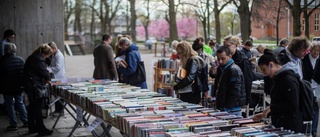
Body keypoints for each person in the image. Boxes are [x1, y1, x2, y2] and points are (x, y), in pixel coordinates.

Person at [255, 49, 303, 133]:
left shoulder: (287, 79)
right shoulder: (278, 78)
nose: (264, 73)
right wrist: (268, 111)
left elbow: (292, 104)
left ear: (271, 65)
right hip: (282, 122)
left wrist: (271, 109)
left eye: (264, 69)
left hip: (289, 125)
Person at [23, 44, 53, 136]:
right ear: (45, 53)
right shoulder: (39, 59)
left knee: (31, 107)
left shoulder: (31, 57)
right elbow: (46, 74)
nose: (49, 57)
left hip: (29, 86)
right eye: (48, 55)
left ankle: (32, 127)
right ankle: (41, 129)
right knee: (37, 108)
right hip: (35, 87)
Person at [0, 43, 28, 131]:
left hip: (6, 87)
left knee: (9, 105)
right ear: (14, 50)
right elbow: (24, 74)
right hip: (18, 87)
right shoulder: (20, 60)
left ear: (5, 50)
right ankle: (26, 121)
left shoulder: (1, 60)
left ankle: (13, 124)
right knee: (20, 103)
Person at [214, 46, 246, 116]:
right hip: (228, 108)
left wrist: (227, 108)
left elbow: (235, 92)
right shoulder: (226, 69)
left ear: (230, 56)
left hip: (231, 109)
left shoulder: (233, 70)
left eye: (223, 58)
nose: (220, 61)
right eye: (218, 59)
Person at [224, 35, 253, 106]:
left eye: (227, 46)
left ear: (235, 45)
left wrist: (247, 98)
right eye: (224, 46)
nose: (225, 48)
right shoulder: (224, 57)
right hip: (226, 94)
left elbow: (247, 79)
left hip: (236, 96)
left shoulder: (242, 60)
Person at [302, 43, 320, 137]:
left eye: (318, 51)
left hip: (317, 88)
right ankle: (307, 129)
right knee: (307, 107)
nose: (316, 53)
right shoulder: (304, 59)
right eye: (314, 50)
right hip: (307, 87)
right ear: (310, 50)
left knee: (316, 108)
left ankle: (314, 130)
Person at [47, 41, 66, 117]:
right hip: (56, 77)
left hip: (59, 78)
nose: (49, 52)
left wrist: (48, 69)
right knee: (56, 95)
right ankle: (57, 110)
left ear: (54, 48)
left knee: (59, 95)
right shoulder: (54, 54)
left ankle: (60, 111)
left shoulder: (59, 56)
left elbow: (58, 67)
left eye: (50, 50)